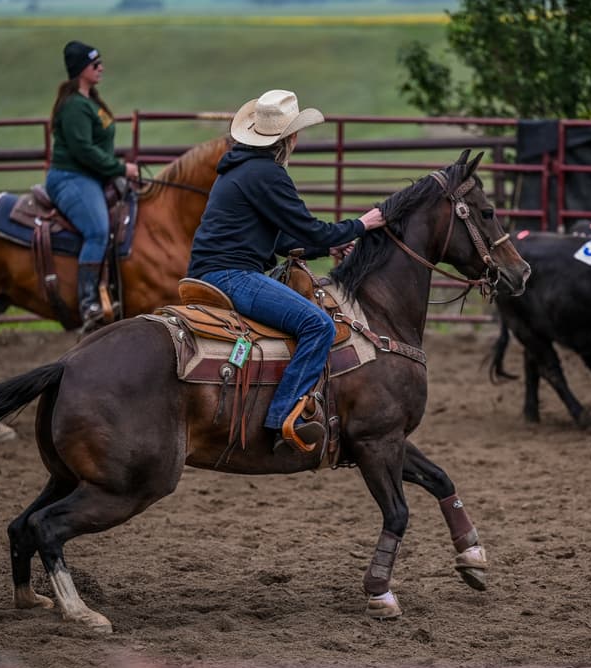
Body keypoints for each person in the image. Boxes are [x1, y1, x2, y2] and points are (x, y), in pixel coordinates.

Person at [187, 89, 386, 454]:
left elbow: (281, 239)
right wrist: (361, 224)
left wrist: (328, 246)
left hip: (208, 272)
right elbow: (308, 228)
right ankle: (283, 419)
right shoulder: (267, 173)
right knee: (318, 325)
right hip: (233, 276)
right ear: (291, 137)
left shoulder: (240, 169)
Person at [46, 40, 139, 332]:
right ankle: (88, 303)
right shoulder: (74, 106)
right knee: (98, 230)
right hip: (71, 177)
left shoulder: (90, 100)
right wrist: (120, 168)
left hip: (92, 176)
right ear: (80, 70)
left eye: (100, 63)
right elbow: (83, 150)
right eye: (94, 64)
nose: (101, 68)